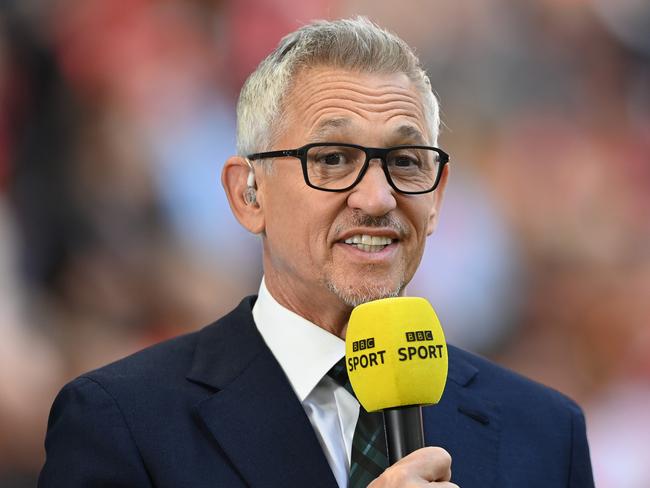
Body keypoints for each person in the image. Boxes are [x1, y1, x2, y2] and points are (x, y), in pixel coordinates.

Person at [38, 17, 594, 487]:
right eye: (331, 158)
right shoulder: (122, 422)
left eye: (405, 162)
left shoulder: (544, 432)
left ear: (438, 195)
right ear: (247, 194)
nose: (378, 198)